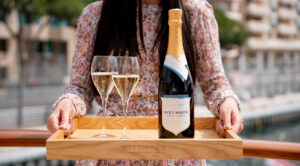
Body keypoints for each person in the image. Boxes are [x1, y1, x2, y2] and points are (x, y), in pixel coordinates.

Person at [47, 0, 243, 165]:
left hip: (176, 147)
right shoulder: (95, 15)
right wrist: (68, 104)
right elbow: (79, 88)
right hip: (111, 149)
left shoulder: (197, 14)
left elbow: (215, 84)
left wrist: (227, 103)